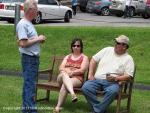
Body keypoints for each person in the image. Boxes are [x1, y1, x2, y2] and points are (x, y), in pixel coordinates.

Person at [82, 35, 135, 113]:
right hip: (97, 80)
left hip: (113, 83)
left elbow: (128, 76)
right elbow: (93, 60)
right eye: (116, 42)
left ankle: (97, 110)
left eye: (118, 43)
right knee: (86, 87)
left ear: (124, 46)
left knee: (112, 91)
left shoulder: (128, 59)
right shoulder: (107, 50)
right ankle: (100, 109)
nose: (115, 44)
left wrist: (115, 78)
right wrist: (90, 75)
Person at [16, 0, 46, 113]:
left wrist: (37, 40)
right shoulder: (23, 24)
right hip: (29, 59)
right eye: (36, 10)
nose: (37, 12)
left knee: (28, 86)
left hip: (31, 59)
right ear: (30, 10)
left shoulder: (28, 23)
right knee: (30, 87)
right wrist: (38, 39)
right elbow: (23, 43)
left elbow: (22, 41)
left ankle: (25, 111)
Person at [54, 38, 89, 113]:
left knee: (65, 85)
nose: (76, 47)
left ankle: (58, 107)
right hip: (62, 77)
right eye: (74, 45)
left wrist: (73, 73)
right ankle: (73, 94)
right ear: (72, 47)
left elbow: (82, 70)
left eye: (78, 46)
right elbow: (61, 67)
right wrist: (68, 71)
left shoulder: (84, 58)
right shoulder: (68, 56)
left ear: (81, 47)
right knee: (64, 74)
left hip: (77, 78)